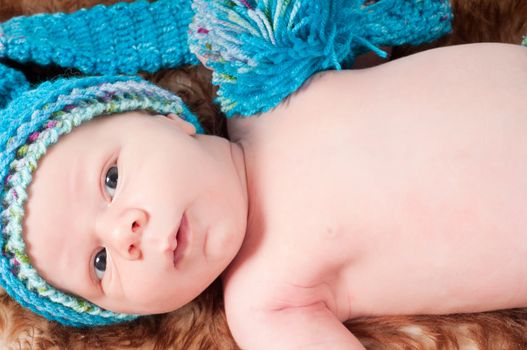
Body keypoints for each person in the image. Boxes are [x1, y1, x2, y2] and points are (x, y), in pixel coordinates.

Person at [1, 0, 526, 349]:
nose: (124, 232)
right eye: (98, 263)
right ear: (122, 314)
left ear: (163, 118)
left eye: (111, 180)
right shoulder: (264, 302)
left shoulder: (261, 84)